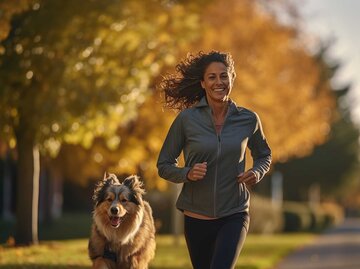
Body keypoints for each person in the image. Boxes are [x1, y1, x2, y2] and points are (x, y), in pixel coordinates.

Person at [157, 51, 272, 269]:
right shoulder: (186, 120)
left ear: (232, 78)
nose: (219, 82)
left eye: (224, 76)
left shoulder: (248, 119)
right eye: (212, 77)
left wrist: (257, 171)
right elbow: (163, 165)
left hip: (234, 213)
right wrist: (187, 173)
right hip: (195, 216)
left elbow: (264, 154)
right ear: (202, 83)